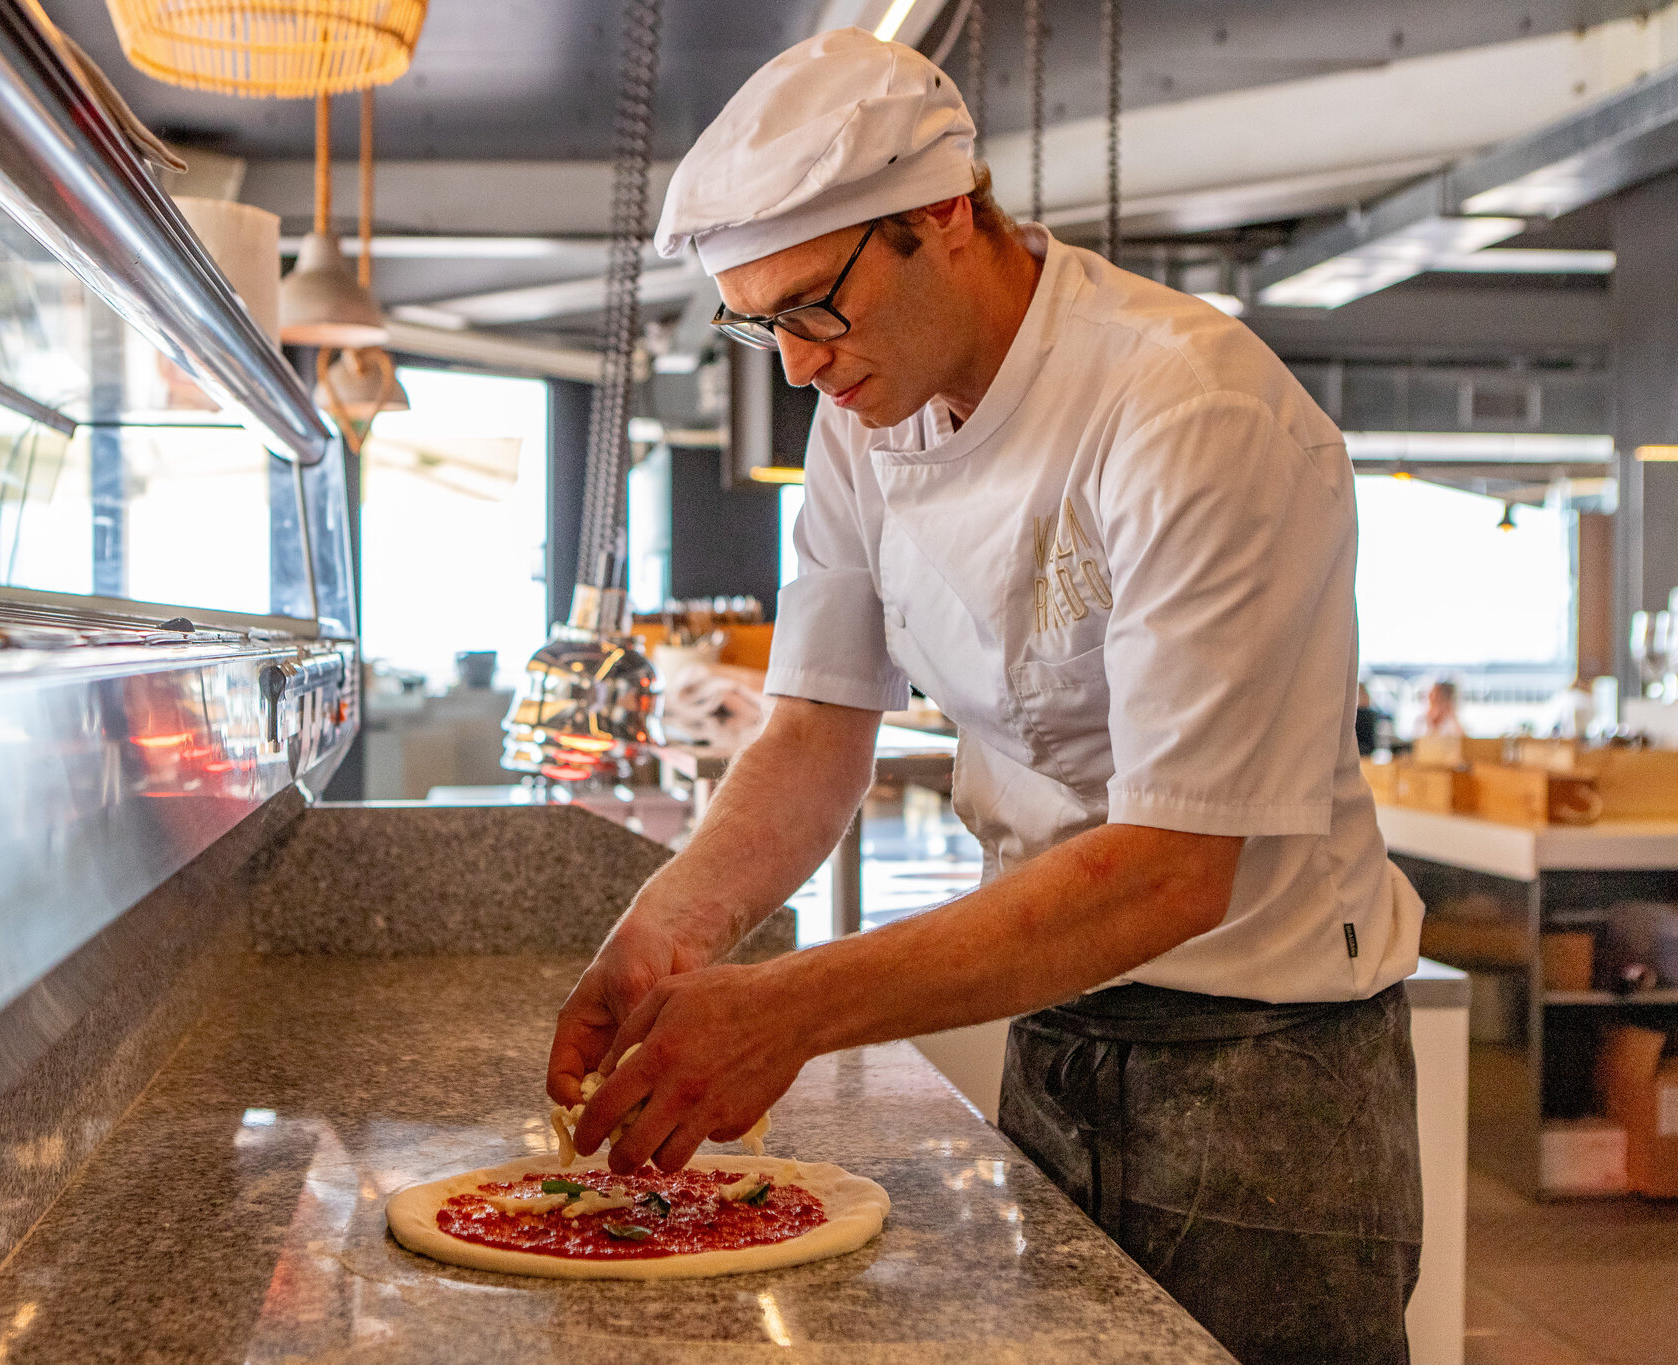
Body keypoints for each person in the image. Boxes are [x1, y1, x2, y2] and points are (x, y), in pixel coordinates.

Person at [547, 29, 1423, 1365]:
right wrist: (668, 930)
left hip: (1266, 1069)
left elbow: (1173, 869)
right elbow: (815, 726)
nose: (794, 365)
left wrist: (790, 1007)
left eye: (813, 307)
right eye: (761, 322)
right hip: (1053, 1019)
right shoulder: (864, 415)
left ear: (944, 214)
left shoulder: (1190, 408)